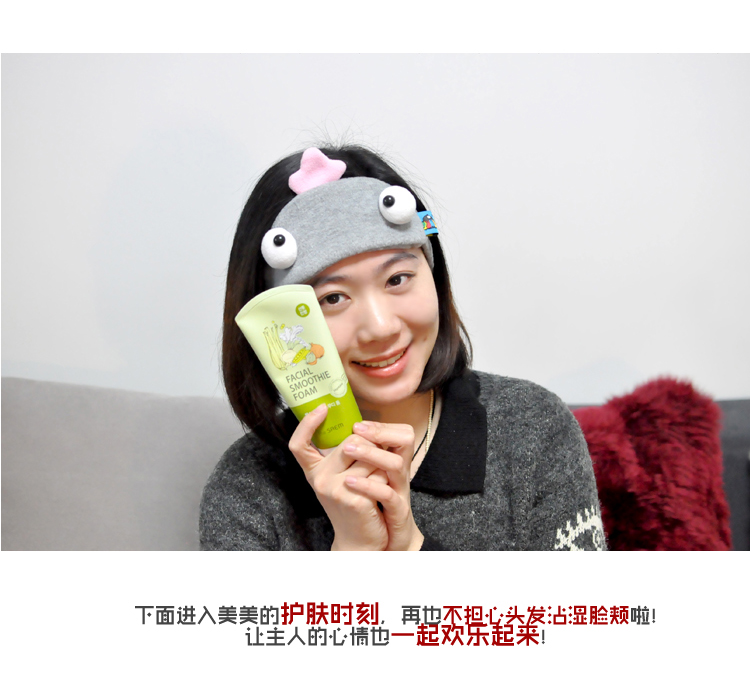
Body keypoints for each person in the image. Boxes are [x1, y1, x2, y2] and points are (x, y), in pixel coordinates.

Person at [200, 144, 606, 551]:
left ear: (433, 275)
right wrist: (354, 551)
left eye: (397, 279)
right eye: (332, 298)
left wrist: (409, 546)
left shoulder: (532, 429)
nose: (381, 327)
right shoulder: (247, 488)